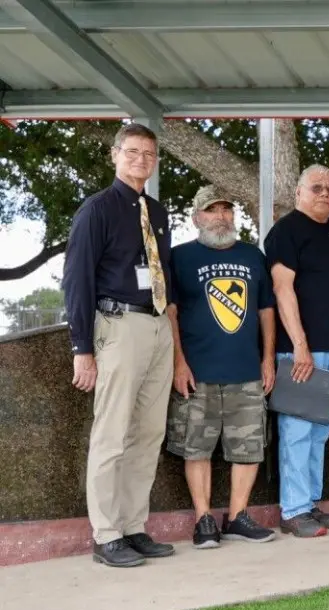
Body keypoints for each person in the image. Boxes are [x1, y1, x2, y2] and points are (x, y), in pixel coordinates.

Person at [62, 122, 177, 568]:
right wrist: (82, 348)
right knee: (111, 435)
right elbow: (76, 280)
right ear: (115, 155)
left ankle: (133, 527)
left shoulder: (158, 212)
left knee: (148, 432)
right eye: (132, 152)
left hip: (157, 326)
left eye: (148, 154)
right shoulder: (97, 210)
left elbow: (163, 275)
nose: (140, 161)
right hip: (118, 326)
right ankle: (106, 534)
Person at [166, 186, 277, 548]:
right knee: (196, 447)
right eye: (212, 211)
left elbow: (264, 310)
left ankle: (238, 516)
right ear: (197, 217)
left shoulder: (252, 255)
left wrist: (268, 357)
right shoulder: (179, 257)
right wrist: (177, 361)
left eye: (226, 210)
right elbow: (171, 312)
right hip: (197, 373)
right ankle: (204, 521)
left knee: (249, 448)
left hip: (246, 371)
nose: (221, 217)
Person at [263, 164, 329, 537]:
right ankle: (294, 509)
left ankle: (310, 503)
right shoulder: (286, 231)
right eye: (316, 187)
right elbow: (283, 291)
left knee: (319, 430)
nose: (324, 194)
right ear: (299, 192)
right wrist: (301, 346)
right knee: (298, 430)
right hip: (303, 352)